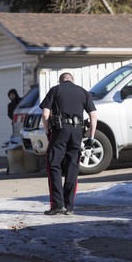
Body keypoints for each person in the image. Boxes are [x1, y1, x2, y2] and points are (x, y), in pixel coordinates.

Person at [40, 72, 97, 215]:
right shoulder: (83, 92)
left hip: (60, 130)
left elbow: (45, 115)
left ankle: (57, 205)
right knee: (73, 166)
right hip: (77, 131)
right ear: (72, 80)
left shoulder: (55, 90)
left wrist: (48, 132)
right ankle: (69, 206)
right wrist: (91, 137)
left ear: (61, 81)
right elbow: (93, 115)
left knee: (53, 164)